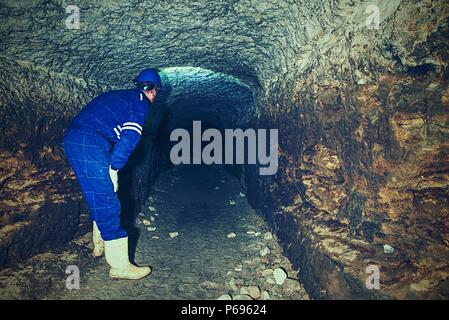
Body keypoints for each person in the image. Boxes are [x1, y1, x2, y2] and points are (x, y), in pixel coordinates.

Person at [63, 68, 161, 280]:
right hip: (91, 143)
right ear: (153, 91)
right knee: (108, 199)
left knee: (98, 193)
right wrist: (115, 166)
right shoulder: (140, 102)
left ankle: (99, 245)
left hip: (75, 139)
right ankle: (119, 266)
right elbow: (130, 136)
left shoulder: (118, 95)